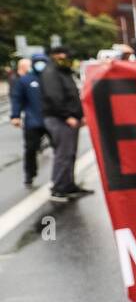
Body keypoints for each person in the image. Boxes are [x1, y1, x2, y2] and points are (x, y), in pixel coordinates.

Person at [39, 46, 92, 203]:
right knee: (64, 154)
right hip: (59, 119)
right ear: (55, 56)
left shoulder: (62, 70)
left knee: (69, 153)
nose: (67, 57)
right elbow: (54, 97)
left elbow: (73, 94)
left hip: (67, 118)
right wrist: (67, 115)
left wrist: (80, 115)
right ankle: (59, 188)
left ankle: (68, 185)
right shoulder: (51, 72)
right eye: (64, 54)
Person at [10, 57, 50, 188]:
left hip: (52, 120)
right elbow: (17, 98)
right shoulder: (25, 80)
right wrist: (15, 115)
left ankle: (62, 178)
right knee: (31, 149)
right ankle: (29, 175)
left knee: (62, 149)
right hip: (33, 121)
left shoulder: (50, 78)